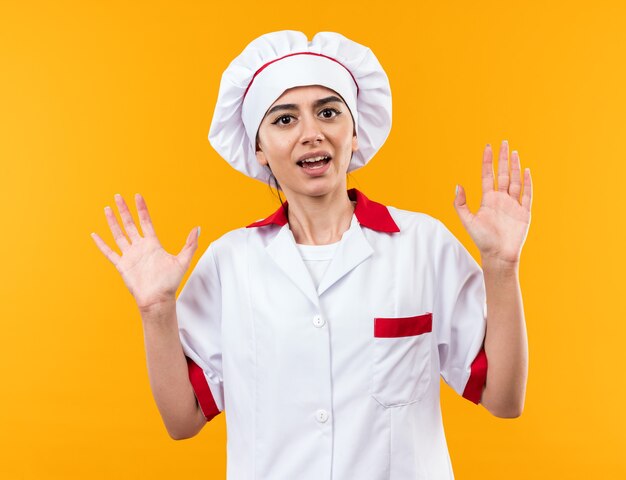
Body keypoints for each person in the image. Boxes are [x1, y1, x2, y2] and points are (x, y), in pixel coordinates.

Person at [91, 30, 532, 479]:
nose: (311, 133)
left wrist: (501, 268)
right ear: (259, 149)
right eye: (284, 119)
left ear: (355, 132)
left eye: (328, 112)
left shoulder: (423, 245)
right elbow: (182, 421)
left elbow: (504, 398)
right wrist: (156, 309)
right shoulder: (231, 263)